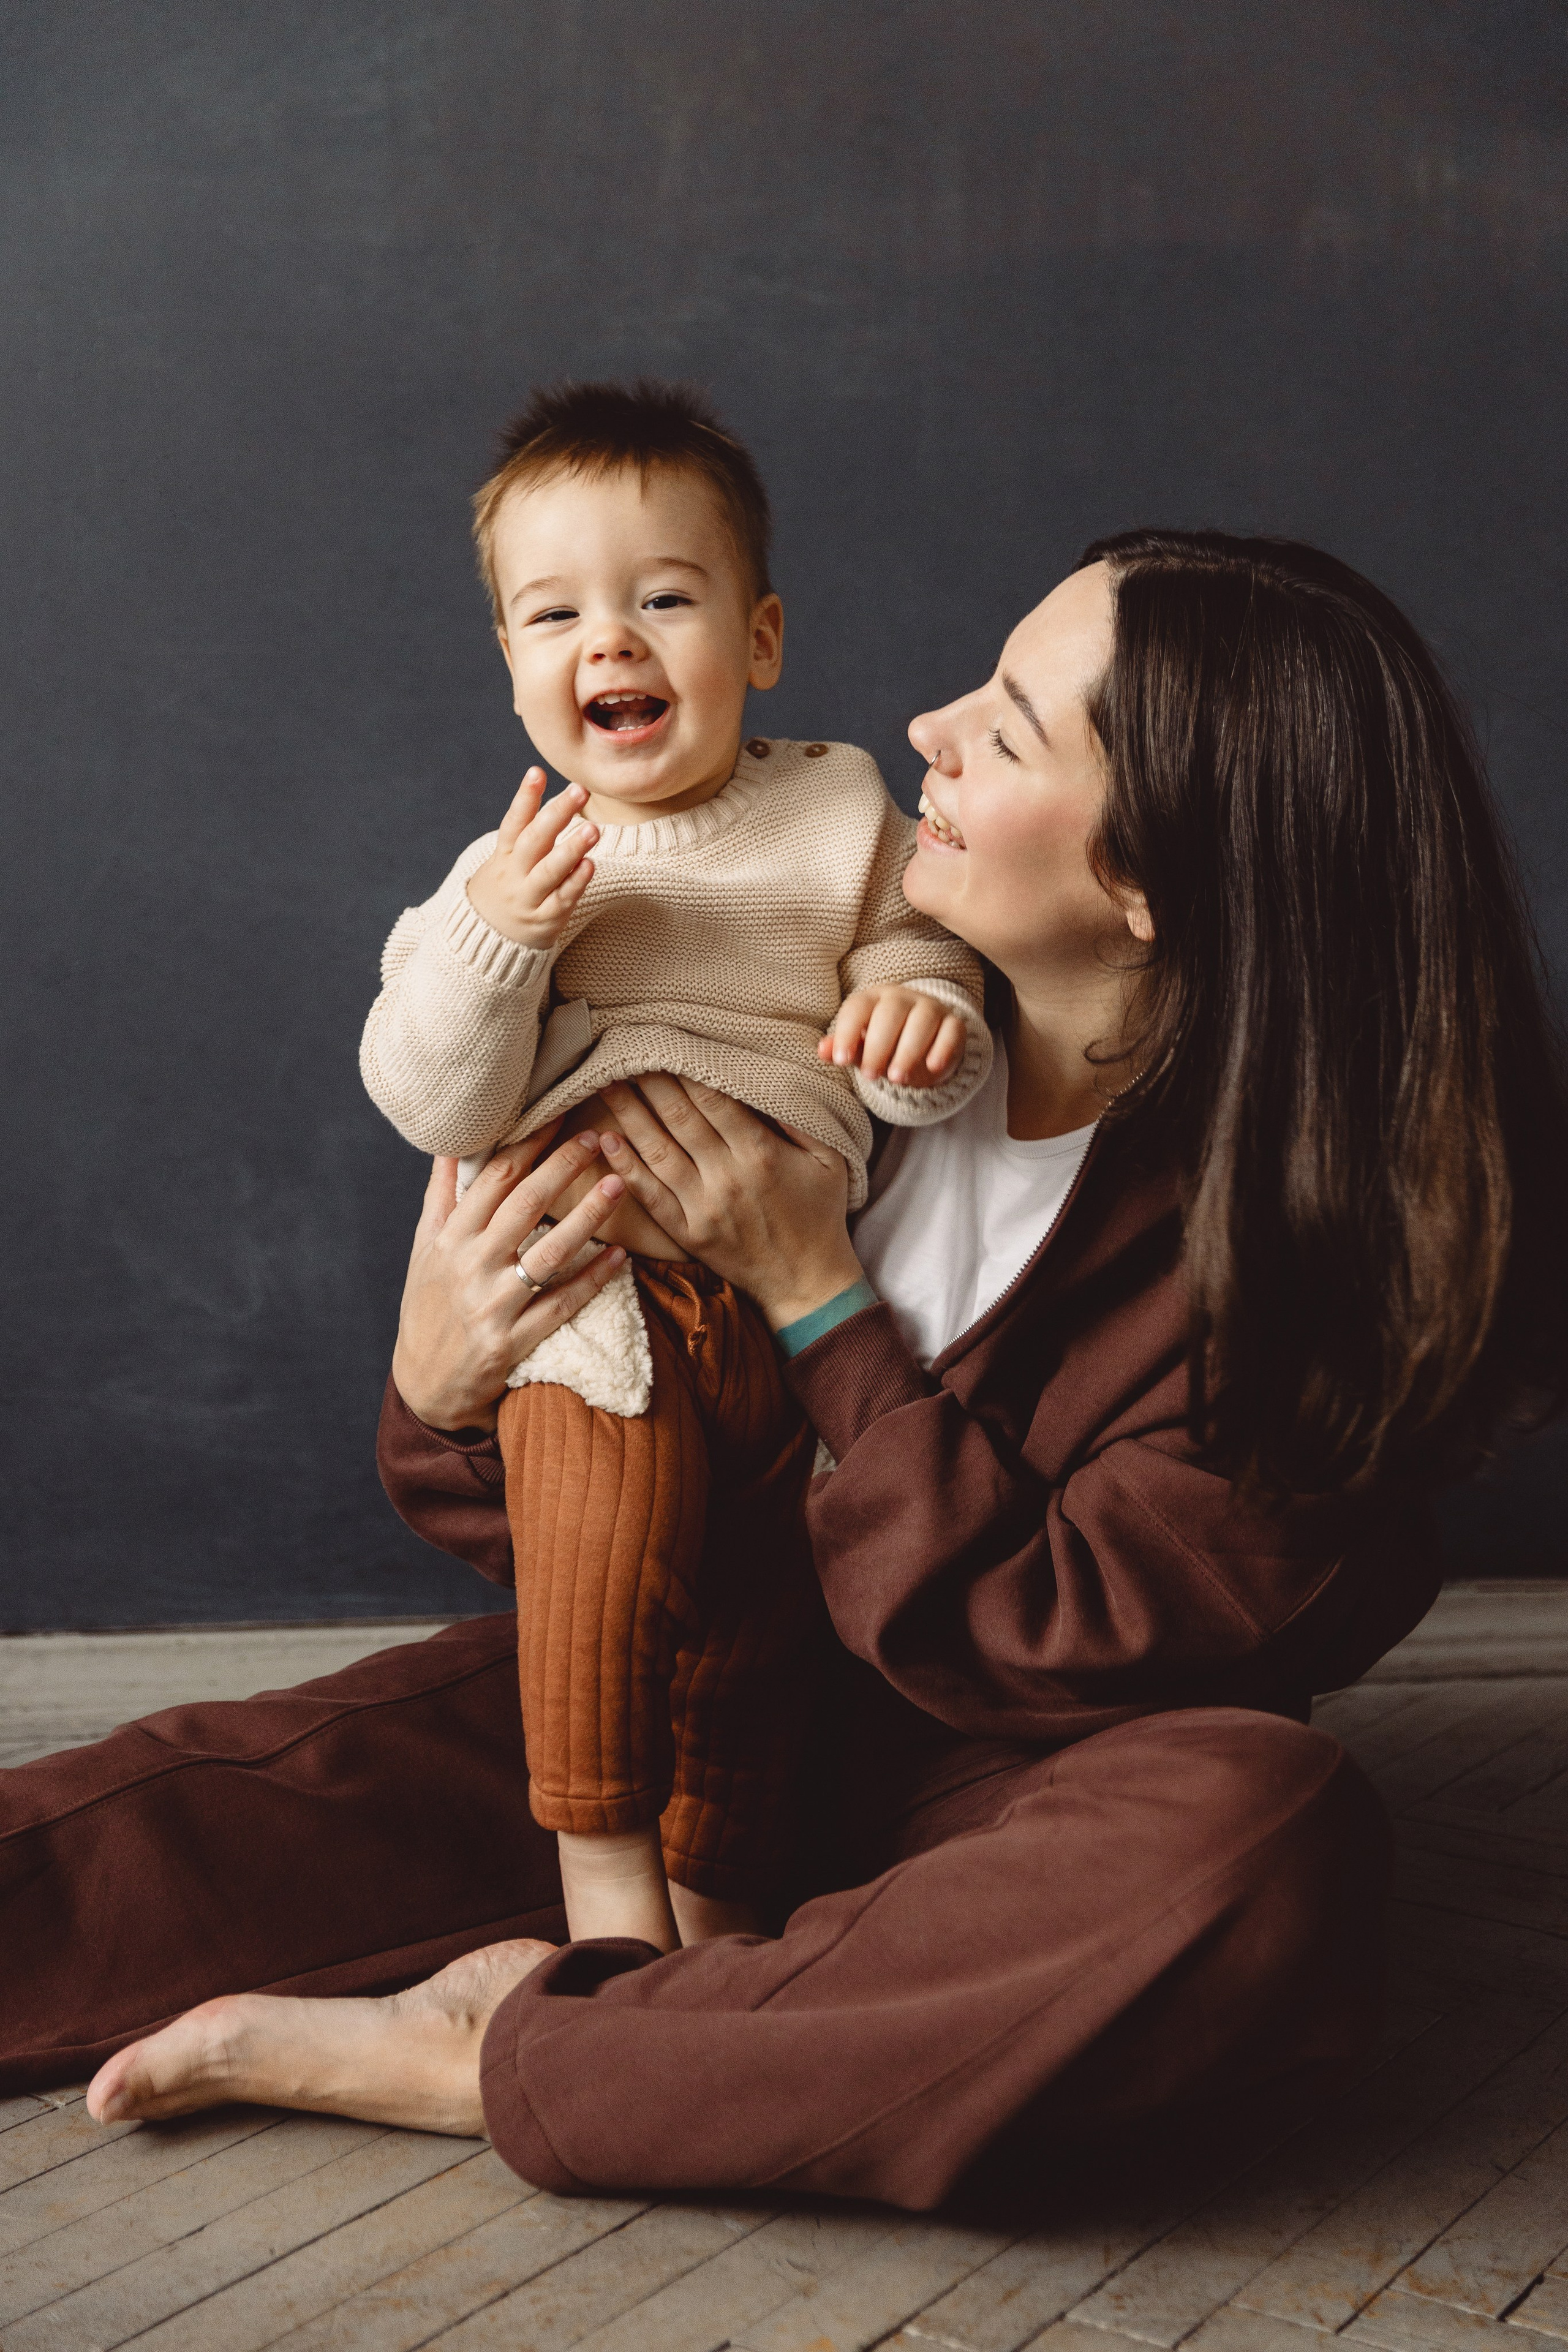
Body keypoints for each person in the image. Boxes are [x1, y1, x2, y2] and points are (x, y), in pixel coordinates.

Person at [6, 530, 1566, 2215]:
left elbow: (1057, 1654)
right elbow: (573, 1513)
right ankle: (689, 2000)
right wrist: (447, 1379)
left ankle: (509, 2050)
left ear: (1151, 883)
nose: (927, 726)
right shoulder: (813, 1032)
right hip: (689, 1714)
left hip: (1022, 1800)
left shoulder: (1308, 1255)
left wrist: (820, 1298)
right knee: (173, 1825)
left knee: (1265, 1843)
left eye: (1013, 729)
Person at [359, 379, 989, 1950]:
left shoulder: (844, 810)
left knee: (762, 1631)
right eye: (555, 613)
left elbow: (922, 945)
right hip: (591, 1295)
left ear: (758, 644)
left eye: (661, 599)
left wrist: (920, 1005)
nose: (610, 643)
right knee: (597, 1571)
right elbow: (432, 1095)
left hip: (784, 1304)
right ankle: (606, 1903)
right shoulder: (505, 875)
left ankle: (712, 1916)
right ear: (511, 666)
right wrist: (501, 942)